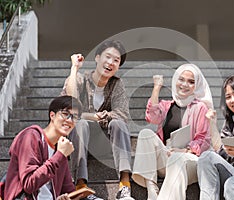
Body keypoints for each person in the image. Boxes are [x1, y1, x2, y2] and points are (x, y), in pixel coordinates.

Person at [61, 40, 134, 200]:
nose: (111, 63)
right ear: (97, 57)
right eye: (108, 57)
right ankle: (80, 186)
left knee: (118, 123)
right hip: (77, 142)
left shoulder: (117, 84)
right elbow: (68, 105)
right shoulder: (81, 80)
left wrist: (104, 116)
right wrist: (74, 68)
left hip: (105, 144)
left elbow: (122, 114)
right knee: (80, 124)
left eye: (116, 60)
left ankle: (125, 187)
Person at [132, 63, 213, 200]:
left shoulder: (200, 107)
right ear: (176, 80)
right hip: (167, 157)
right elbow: (151, 117)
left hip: (189, 161)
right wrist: (157, 87)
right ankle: (152, 189)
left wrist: (184, 151)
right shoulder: (167, 105)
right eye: (181, 79)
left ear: (196, 86)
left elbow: (203, 139)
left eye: (191, 82)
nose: (185, 84)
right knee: (145, 134)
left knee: (177, 158)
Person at [4, 96, 83, 200]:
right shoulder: (31, 136)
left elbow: (68, 190)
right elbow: (29, 184)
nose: (70, 120)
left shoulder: (60, 150)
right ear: (52, 115)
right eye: (65, 114)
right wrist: (60, 155)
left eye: (75, 117)